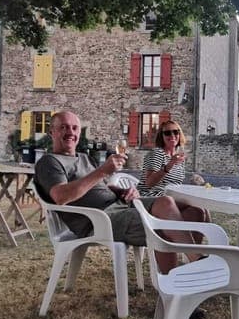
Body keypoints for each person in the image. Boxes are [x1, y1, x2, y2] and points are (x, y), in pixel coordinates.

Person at [34, 111, 203, 296]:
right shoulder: (49, 162)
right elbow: (61, 196)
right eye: (63, 127)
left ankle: (191, 270)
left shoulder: (84, 158)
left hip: (121, 206)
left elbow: (100, 187)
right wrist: (102, 171)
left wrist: (123, 191)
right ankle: (180, 287)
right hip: (99, 220)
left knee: (191, 210)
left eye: (74, 128)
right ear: (52, 132)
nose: (70, 132)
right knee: (165, 228)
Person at [138, 119, 210, 228]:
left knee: (199, 211)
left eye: (175, 132)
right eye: (167, 133)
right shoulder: (157, 153)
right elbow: (149, 183)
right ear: (161, 136)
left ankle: (193, 243)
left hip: (170, 197)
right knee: (199, 205)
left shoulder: (178, 157)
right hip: (152, 197)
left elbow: (176, 184)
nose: (172, 135)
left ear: (179, 134)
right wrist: (169, 165)